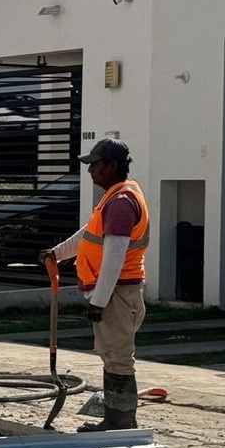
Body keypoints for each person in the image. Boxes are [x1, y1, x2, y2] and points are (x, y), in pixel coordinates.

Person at [40, 138, 148, 432]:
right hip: (117, 292)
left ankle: (119, 423)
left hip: (117, 294)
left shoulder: (122, 202)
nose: (90, 171)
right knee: (112, 355)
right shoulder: (114, 199)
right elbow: (89, 234)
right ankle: (119, 420)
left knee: (118, 358)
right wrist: (58, 253)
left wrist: (99, 301)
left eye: (95, 165)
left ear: (112, 166)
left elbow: (114, 257)